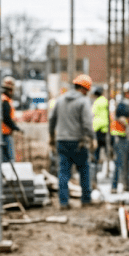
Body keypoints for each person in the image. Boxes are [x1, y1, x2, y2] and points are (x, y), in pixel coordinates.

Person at [49, 74, 96, 208]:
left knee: (63, 172)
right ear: (84, 89)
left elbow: (52, 119)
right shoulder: (83, 101)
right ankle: (86, 200)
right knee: (84, 170)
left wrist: (51, 136)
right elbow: (87, 123)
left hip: (62, 141)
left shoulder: (60, 100)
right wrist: (92, 138)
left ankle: (63, 202)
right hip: (78, 142)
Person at [110, 86, 129, 193]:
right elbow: (122, 119)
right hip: (120, 137)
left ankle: (125, 185)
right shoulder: (123, 104)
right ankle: (115, 186)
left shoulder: (123, 103)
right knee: (120, 163)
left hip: (121, 137)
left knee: (124, 163)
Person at [0, 76, 20, 163]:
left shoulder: (0, 98)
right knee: (10, 159)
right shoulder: (5, 100)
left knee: (3, 159)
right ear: (10, 89)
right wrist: (15, 127)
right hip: (4, 133)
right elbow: (6, 118)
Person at [91, 86, 110, 171]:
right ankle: (107, 167)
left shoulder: (96, 102)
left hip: (97, 127)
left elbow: (93, 113)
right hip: (105, 128)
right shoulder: (105, 101)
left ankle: (96, 167)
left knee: (97, 150)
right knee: (106, 149)